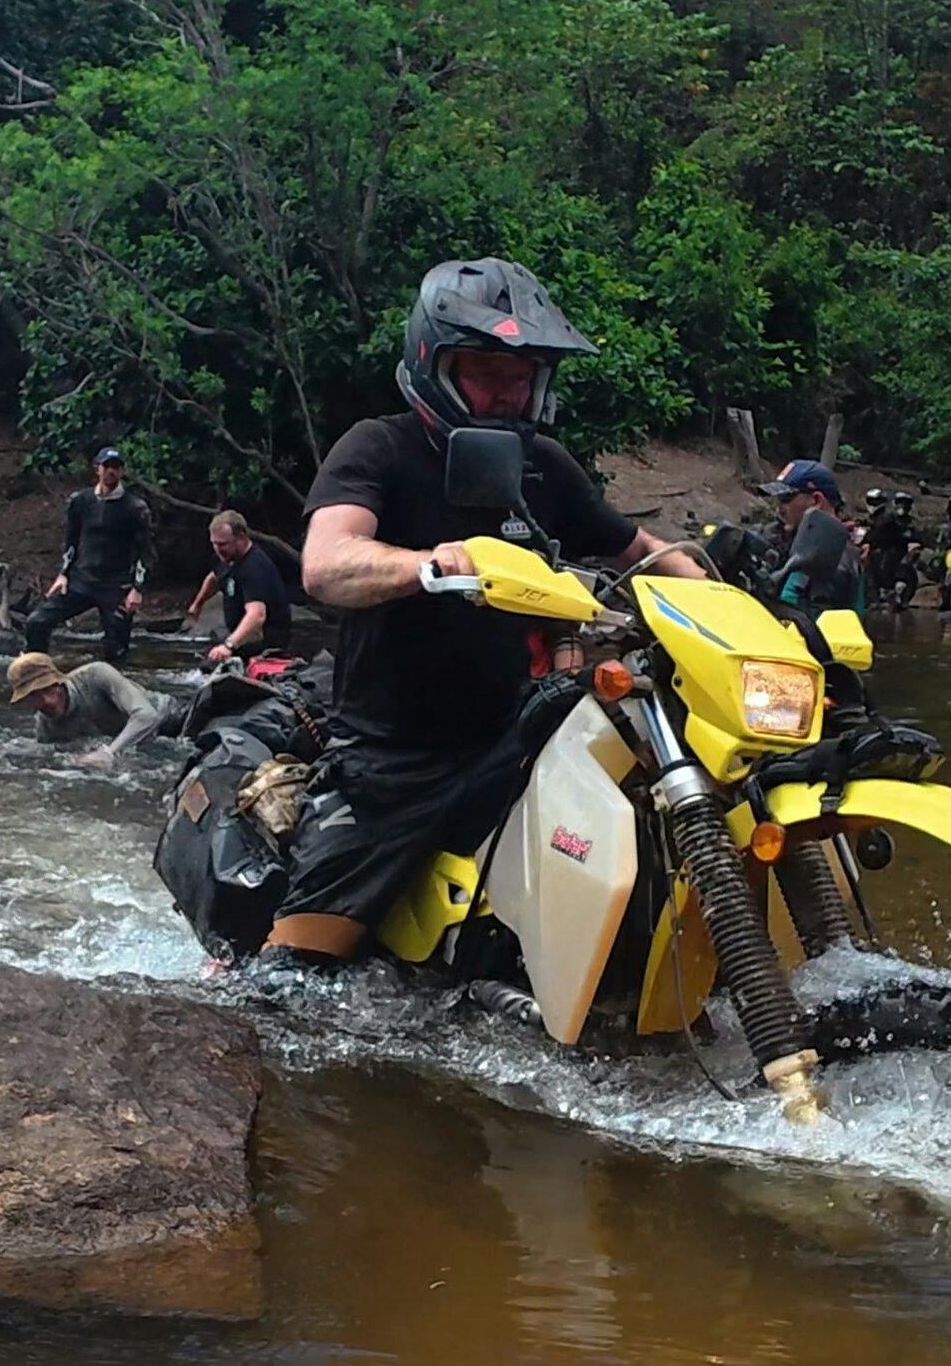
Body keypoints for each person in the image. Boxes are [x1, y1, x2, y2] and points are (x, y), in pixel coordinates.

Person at [259, 258, 704, 964]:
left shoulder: (547, 467)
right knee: (295, 968)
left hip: (516, 729)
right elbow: (326, 560)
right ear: (433, 365)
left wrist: (726, 608)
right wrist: (428, 563)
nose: (506, 393)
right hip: (399, 747)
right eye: (486, 373)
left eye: (521, 376)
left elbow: (639, 549)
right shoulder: (380, 447)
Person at [21, 448, 151, 664]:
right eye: (107, 467)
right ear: (97, 469)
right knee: (37, 621)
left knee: (116, 648)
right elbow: (70, 541)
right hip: (81, 581)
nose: (111, 472)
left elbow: (146, 551)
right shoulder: (80, 501)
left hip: (115, 587)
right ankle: (36, 670)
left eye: (116, 468)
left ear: (121, 472)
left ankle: (113, 688)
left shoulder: (135, 507)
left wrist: (137, 588)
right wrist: (63, 574)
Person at [6, 651, 179, 767]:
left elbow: (147, 716)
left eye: (48, 689)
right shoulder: (45, 729)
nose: (47, 701)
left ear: (59, 681)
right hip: (145, 747)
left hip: (172, 720)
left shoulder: (96, 674)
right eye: (34, 696)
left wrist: (108, 753)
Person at [757, 458, 869, 617]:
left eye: (785, 499)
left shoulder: (827, 559)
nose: (779, 509)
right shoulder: (804, 545)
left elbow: (807, 629)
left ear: (816, 500)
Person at [180, 510, 293, 664]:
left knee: (208, 664)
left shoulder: (254, 566)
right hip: (243, 640)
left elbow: (257, 615)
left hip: (265, 643)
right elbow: (214, 578)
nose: (218, 549)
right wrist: (197, 604)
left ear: (241, 537)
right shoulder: (226, 556)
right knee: (201, 658)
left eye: (223, 544)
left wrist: (228, 645)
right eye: (214, 543)